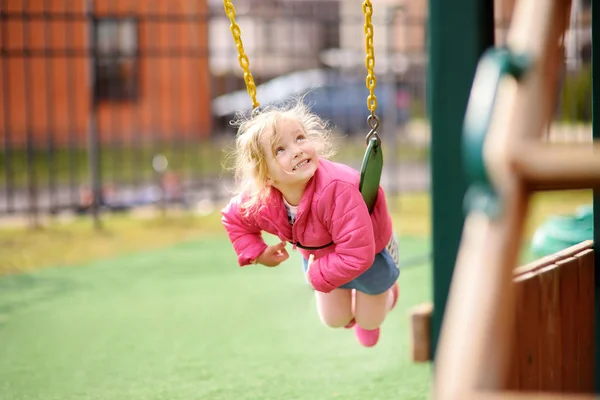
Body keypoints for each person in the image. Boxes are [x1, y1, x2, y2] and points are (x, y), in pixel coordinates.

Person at [221, 100, 400, 347]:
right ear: (267, 176)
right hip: (324, 253)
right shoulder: (261, 199)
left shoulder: (337, 190)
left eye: (300, 138)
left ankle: (388, 295)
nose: (296, 150)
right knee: (334, 319)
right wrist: (258, 252)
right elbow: (233, 218)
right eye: (280, 150)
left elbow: (359, 254)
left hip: (370, 251)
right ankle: (356, 310)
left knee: (369, 320)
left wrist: (317, 274)